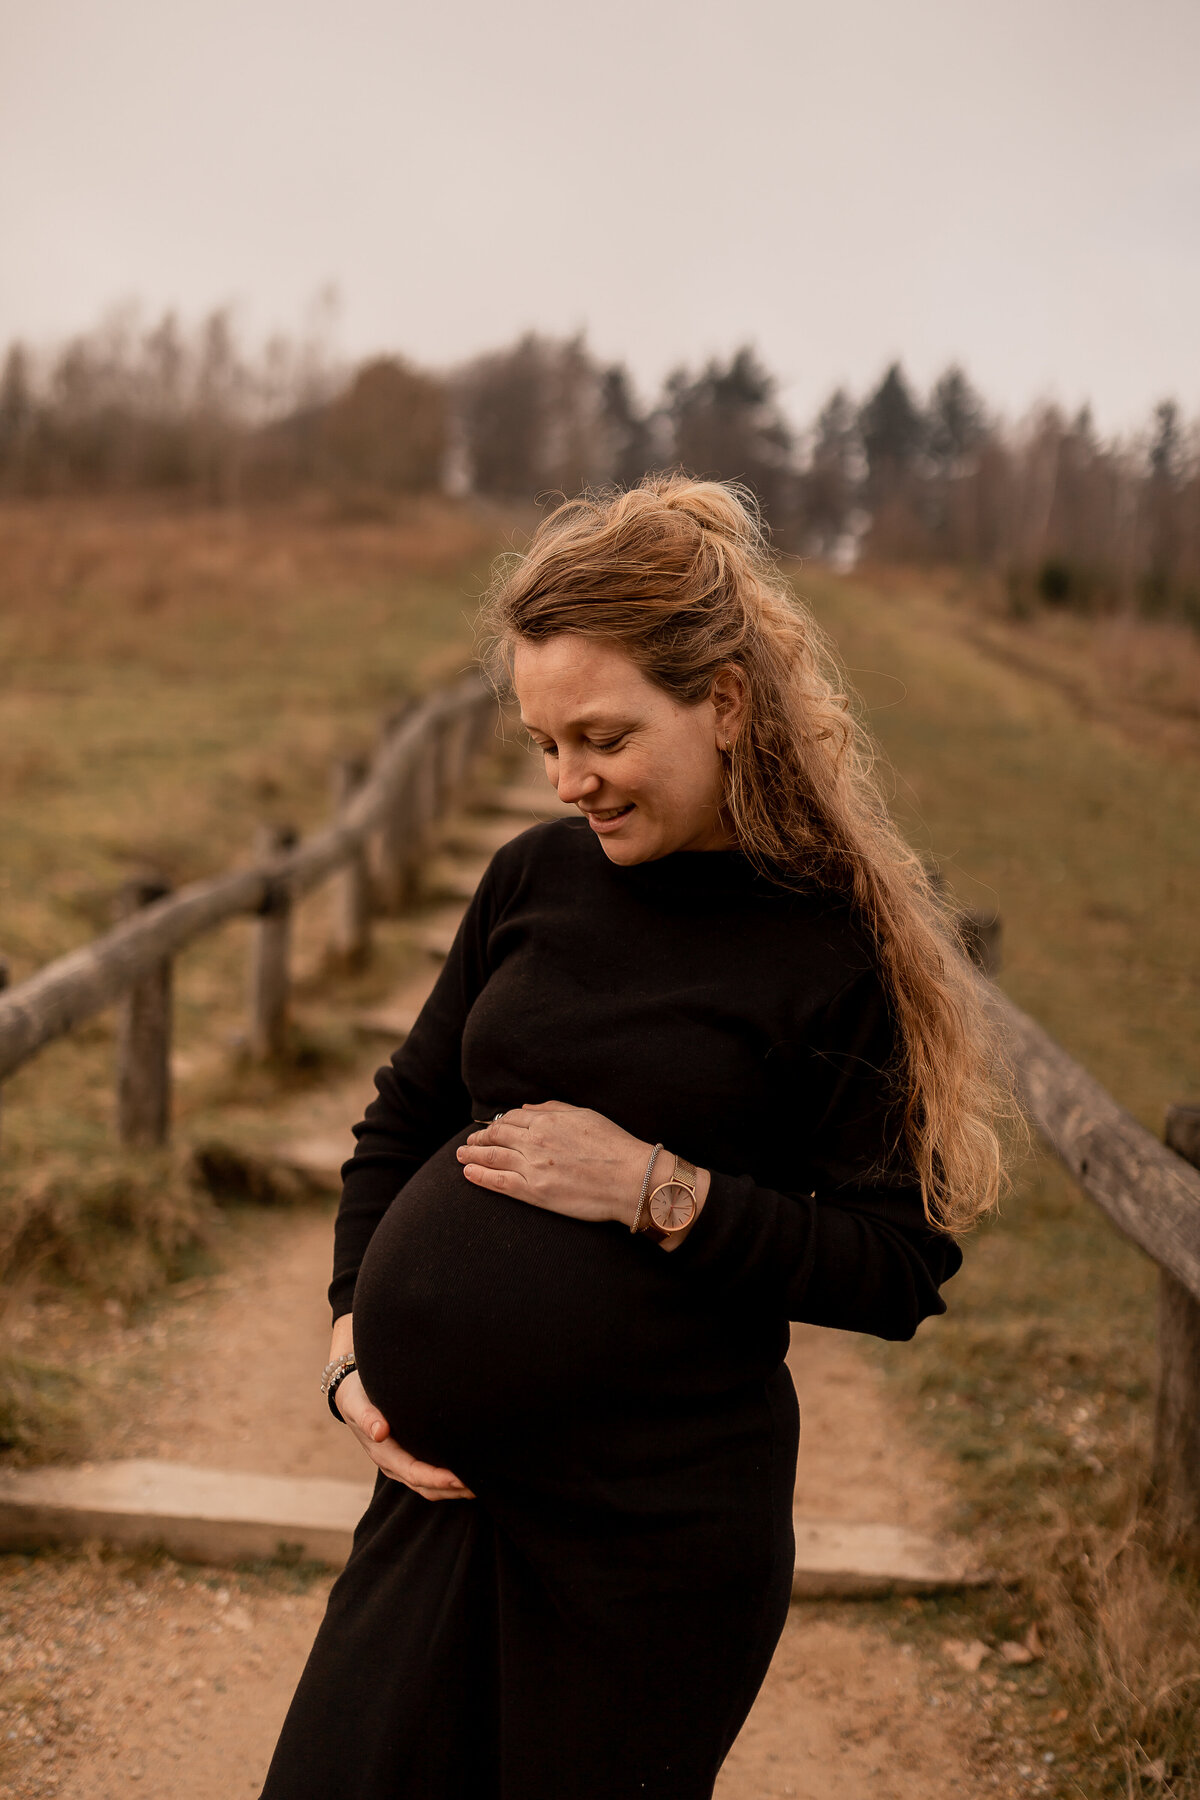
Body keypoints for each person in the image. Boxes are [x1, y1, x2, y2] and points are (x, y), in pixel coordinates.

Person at [258, 475, 1005, 1800]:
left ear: (722, 701)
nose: (568, 779)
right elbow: (404, 1117)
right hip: (442, 1505)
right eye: (544, 743)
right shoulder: (532, 879)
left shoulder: (829, 945)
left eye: (601, 736)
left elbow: (900, 1266)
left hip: (652, 1544)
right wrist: (347, 1349)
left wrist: (657, 1192)